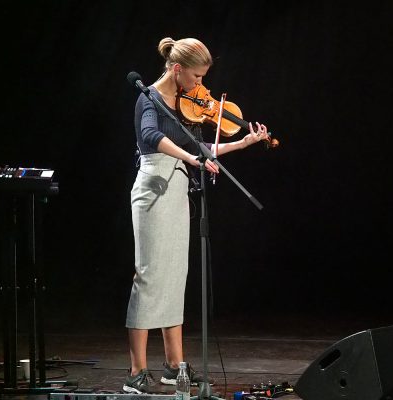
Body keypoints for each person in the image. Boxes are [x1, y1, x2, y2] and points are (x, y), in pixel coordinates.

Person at [123, 36, 269, 394]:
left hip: (176, 188)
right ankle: (136, 372)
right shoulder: (149, 98)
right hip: (153, 187)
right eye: (197, 77)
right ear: (177, 69)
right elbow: (150, 135)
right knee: (149, 276)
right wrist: (190, 158)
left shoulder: (184, 102)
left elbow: (202, 148)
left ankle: (175, 365)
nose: (200, 86)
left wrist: (241, 142)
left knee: (175, 274)